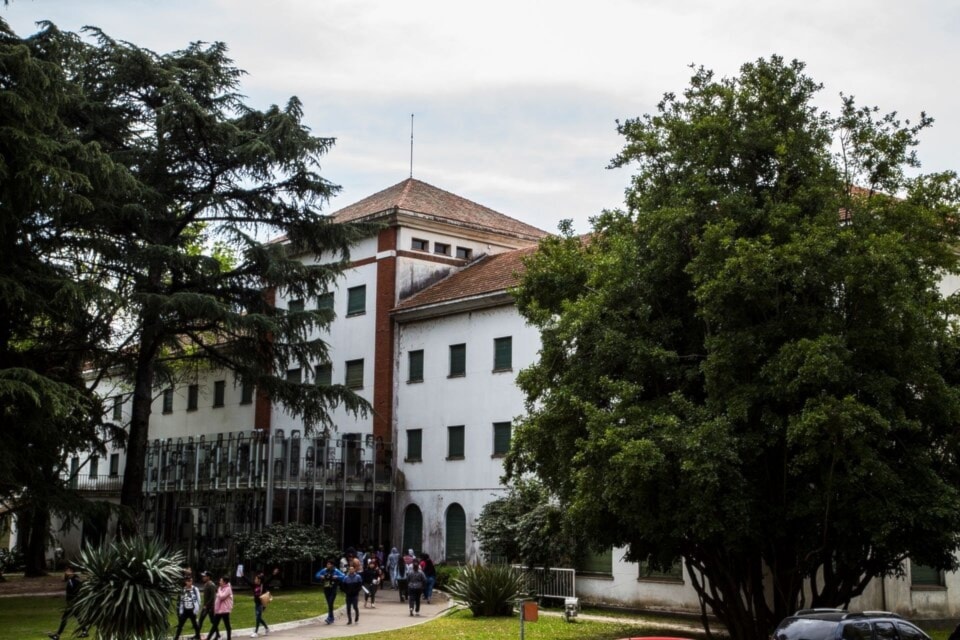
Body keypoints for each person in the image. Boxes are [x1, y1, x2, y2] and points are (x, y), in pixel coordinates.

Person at [48, 565, 89, 640]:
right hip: (73, 603)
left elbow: (77, 592)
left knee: (64, 618)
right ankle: (85, 631)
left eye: (67, 571)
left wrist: (73, 602)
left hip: (73, 604)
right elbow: (64, 579)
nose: (65, 572)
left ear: (71, 571)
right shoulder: (72, 580)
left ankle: (57, 635)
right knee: (78, 617)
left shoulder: (74, 581)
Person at [314, 559, 345, 624]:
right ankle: (331, 618)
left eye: (329, 564)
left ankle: (329, 618)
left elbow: (343, 576)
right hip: (326, 588)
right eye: (327, 564)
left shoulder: (336, 571)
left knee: (330, 603)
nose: (327, 565)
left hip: (333, 589)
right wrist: (321, 576)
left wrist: (337, 577)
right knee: (329, 604)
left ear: (332, 565)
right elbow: (316, 575)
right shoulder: (324, 570)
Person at [173, 575, 202, 640]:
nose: (190, 582)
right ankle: (176, 637)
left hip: (192, 610)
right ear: (186, 582)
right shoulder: (183, 590)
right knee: (180, 625)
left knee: (195, 624)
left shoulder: (195, 589)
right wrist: (181, 610)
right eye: (188, 581)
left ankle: (198, 636)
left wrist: (196, 609)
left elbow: (199, 600)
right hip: (185, 611)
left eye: (191, 581)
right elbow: (181, 601)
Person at [206, 575, 234, 640]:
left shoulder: (228, 588)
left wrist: (218, 591)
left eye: (221, 581)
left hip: (225, 610)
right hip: (219, 610)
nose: (219, 582)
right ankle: (208, 638)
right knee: (215, 625)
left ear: (224, 582)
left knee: (227, 626)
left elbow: (222, 596)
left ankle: (229, 638)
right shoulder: (221, 588)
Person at [197, 571, 217, 638]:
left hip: (210, 607)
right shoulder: (206, 584)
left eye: (204, 576)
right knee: (201, 620)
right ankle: (197, 634)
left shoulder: (212, 585)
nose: (203, 577)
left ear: (208, 577)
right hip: (206, 606)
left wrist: (207, 605)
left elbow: (212, 597)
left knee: (212, 621)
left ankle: (218, 634)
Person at [249, 572, 270, 637]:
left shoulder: (262, 586)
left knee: (258, 618)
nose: (254, 580)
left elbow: (269, 580)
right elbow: (247, 582)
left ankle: (256, 632)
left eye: (256, 579)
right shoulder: (254, 585)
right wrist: (242, 576)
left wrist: (273, 574)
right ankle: (267, 628)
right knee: (259, 618)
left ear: (259, 580)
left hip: (261, 604)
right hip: (256, 604)